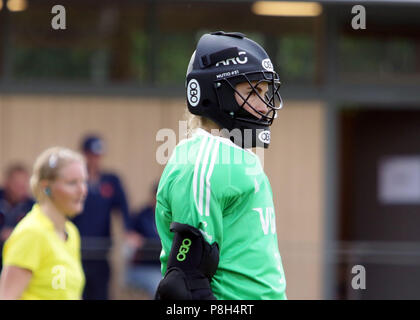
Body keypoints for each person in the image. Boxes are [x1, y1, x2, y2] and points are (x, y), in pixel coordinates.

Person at [154, 31, 287, 300]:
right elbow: (183, 286)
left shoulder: (234, 156)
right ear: (215, 93)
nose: (263, 105)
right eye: (252, 91)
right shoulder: (206, 161)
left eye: (264, 91)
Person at [0, 147, 87, 299]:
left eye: (84, 181)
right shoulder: (31, 233)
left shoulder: (71, 232)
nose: (82, 190)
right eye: (72, 183)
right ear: (46, 187)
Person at [72, 135, 131, 300]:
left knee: (100, 293)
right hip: (76, 250)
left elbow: (123, 209)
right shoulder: (74, 181)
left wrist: (128, 232)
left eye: (98, 155)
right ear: (83, 155)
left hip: (101, 250)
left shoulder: (111, 180)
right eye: (91, 155)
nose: (95, 160)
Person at [124, 182, 162, 298]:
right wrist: (135, 241)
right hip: (143, 268)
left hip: (166, 269)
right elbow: (129, 236)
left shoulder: (173, 217)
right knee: (159, 286)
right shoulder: (142, 216)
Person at [0, 164, 35, 271]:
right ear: (7, 183)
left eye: (24, 185)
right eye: (17, 185)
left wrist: (15, 234)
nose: (21, 189)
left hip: (19, 261)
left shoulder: (32, 207)